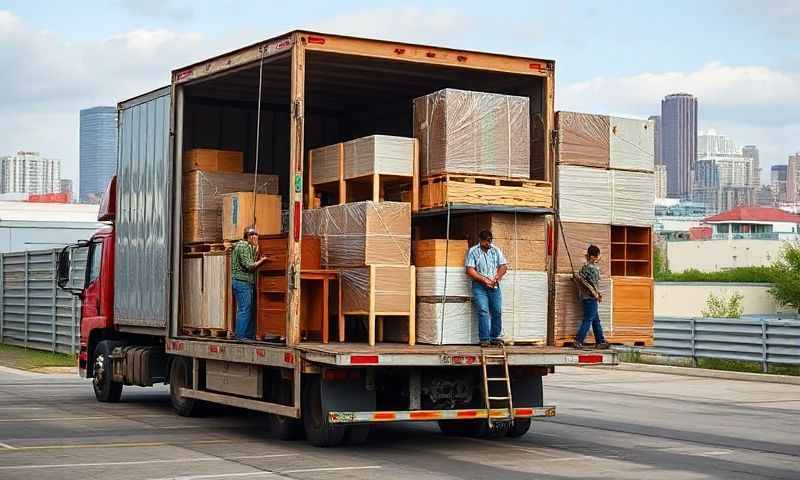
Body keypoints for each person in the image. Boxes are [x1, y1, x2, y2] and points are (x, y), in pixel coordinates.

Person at [465, 230, 508, 347]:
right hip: (480, 285)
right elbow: (470, 269)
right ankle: (484, 339)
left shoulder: (495, 250)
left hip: (494, 285)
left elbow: (503, 266)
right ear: (480, 240)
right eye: (486, 242)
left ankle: (494, 337)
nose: (488, 244)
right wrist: (484, 280)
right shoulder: (473, 251)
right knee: (483, 310)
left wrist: (496, 278)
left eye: (490, 241)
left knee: (497, 311)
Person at [231, 226, 269, 340]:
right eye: (253, 235)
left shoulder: (248, 246)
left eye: (256, 234)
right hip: (242, 282)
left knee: (249, 309)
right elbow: (249, 266)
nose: (256, 237)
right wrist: (262, 261)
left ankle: (248, 335)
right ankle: (241, 336)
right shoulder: (243, 246)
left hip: (246, 282)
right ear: (248, 236)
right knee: (244, 309)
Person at [575, 245, 609, 349]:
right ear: (593, 256)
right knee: (588, 320)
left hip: (586, 297)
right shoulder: (593, 269)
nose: (599, 257)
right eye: (598, 255)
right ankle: (578, 340)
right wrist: (597, 295)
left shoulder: (584, 267)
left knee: (595, 320)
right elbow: (593, 285)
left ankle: (600, 341)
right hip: (591, 297)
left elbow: (585, 282)